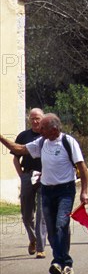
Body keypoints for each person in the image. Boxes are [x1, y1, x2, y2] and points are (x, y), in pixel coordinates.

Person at [0, 113, 88, 274]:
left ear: (54, 129)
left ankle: (58, 261)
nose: (39, 130)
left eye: (43, 128)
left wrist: (84, 191)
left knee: (61, 224)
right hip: (47, 191)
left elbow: (82, 167)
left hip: (65, 191)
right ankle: (65, 263)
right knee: (51, 229)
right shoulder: (41, 142)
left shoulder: (68, 142)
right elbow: (18, 149)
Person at [11, 108, 47, 258]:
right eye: (32, 118)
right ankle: (33, 239)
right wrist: (22, 176)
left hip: (45, 178)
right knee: (26, 215)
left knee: (41, 214)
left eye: (37, 118)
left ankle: (40, 247)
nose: (35, 121)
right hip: (28, 175)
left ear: (43, 118)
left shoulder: (48, 136)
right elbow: (15, 158)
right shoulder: (23, 136)